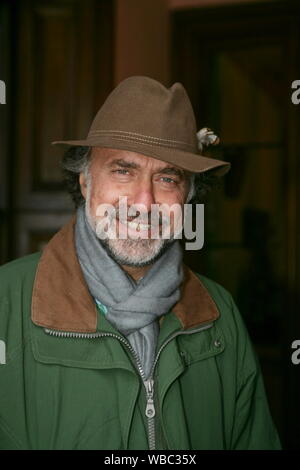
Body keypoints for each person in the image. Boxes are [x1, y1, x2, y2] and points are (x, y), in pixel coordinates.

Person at [0, 76, 281, 450]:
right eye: (123, 170)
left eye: (167, 178)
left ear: (188, 196)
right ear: (85, 181)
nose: (145, 202)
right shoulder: (6, 302)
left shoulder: (219, 313)